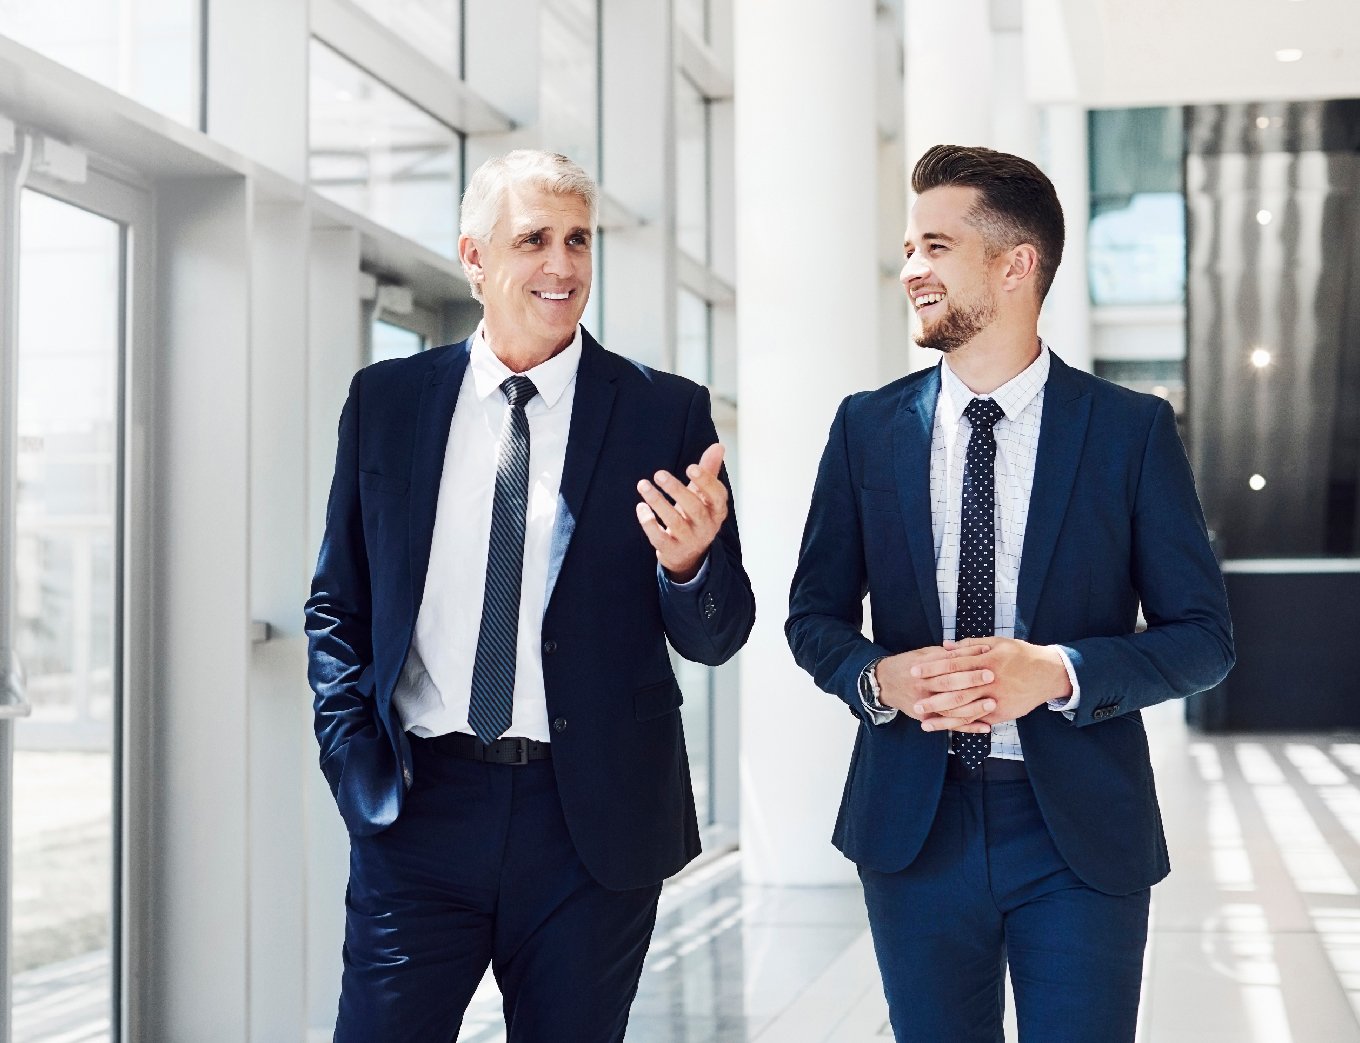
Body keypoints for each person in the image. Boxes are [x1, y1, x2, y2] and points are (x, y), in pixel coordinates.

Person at [786, 144, 1234, 1042]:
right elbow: (814, 617)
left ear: (1016, 264)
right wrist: (880, 680)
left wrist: (1059, 671)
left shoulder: (1128, 430)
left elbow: (1203, 636)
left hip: (1076, 831)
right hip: (914, 826)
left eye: (935, 247)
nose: (910, 269)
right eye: (909, 248)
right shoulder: (866, 427)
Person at [305, 149, 754, 1041]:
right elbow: (338, 605)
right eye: (535, 240)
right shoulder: (388, 401)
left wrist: (690, 566)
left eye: (579, 241)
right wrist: (352, 754)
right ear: (474, 258)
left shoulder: (663, 413)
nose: (563, 266)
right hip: (419, 806)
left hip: (589, 827)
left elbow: (719, 632)